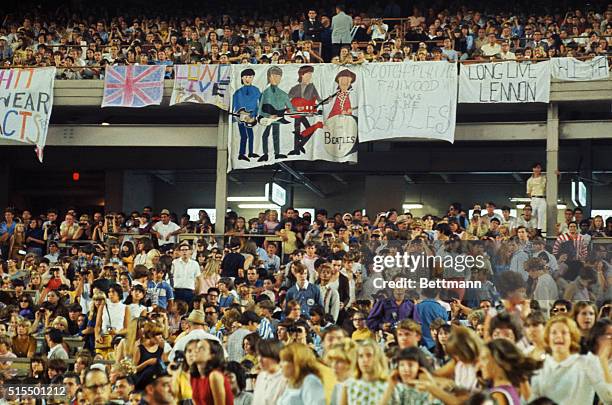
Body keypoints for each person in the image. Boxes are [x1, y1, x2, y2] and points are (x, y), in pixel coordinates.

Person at [530, 316, 612, 404]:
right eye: (554, 333)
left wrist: (603, 360)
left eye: (564, 332)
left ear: (571, 337)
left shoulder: (587, 363)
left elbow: (609, 398)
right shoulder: (540, 366)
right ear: (548, 338)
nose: (558, 336)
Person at [341, 339, 388, 405]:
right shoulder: (349, 385)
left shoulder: (387, 386)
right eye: (360, 356)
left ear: (377, 357)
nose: (364, 360)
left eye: (369, 355)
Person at [191, 339, 234, 405]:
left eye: (201, 348)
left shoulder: (215, 376)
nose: (195, 351)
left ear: (212, 355)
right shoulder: (194, 377)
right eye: (196, 347)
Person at [253, 339, 287, 405]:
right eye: (258, 355)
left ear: (275, 355)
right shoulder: (261, 376)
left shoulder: (285, 379)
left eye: (264, 356)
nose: (260, 359)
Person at [526, 162, 547, 234]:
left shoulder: (544, 178)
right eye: (536, 168)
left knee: (541, 214)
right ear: (533, 169)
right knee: (532, 214)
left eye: (539, 168)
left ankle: (539, 231)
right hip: (534, 198)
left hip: (542, 198)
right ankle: (531, 230)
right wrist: (533, 198)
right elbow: (528, 192)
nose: (537, 169)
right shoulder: (529, 180)